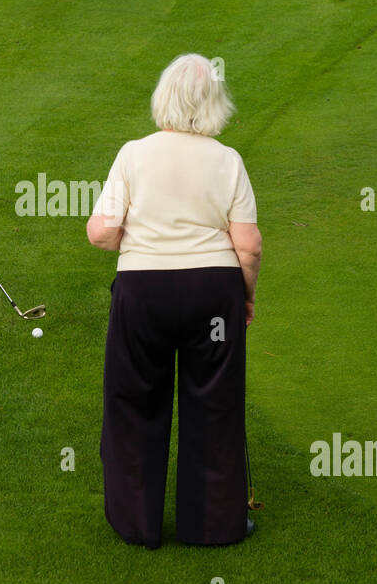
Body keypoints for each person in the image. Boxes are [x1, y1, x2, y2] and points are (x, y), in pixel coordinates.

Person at [87, 54, 262, 549]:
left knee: (134, 400)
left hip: (143, 293)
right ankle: (210, 525)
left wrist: (118, 231)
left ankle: (135, 523)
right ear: (214, 105)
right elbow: (247, 245)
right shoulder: (227, 159)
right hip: (213, 293)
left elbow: (101, 233)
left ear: (164, 97)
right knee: (215, 402)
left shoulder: (133, 154)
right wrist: (245, 298)